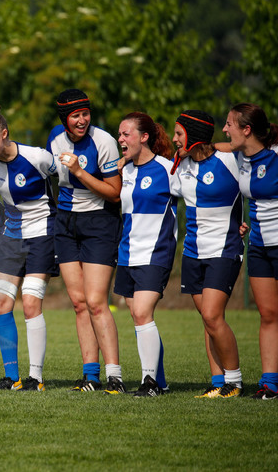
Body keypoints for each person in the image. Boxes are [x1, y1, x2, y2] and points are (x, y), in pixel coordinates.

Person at [47, 89, 125, 393]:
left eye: (85, 114)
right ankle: (90, 376)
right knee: (79, 303)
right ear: (64, 119)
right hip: (65, 223)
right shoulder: (55, 137)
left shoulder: (103, 141)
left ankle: (114, 376)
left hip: (99, 223)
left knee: (95, 301)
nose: (82, 120)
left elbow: (114, 192)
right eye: (75, 116)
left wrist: (79, 171)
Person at [0, 104, 58, 391]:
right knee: (0, 305)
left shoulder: (37, 157)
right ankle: (13, 378)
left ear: (4, 134)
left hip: (41, 234)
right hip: (11, 238)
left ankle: (36, 378)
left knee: (31, 304)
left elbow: (64, 178)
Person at [171, 110, 244, 398]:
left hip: (224, 250)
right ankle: (218, 382)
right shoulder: (181, 168)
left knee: (213, 316)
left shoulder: (230, 160)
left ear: (194, 136)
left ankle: (234, 381)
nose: (175, 139)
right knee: (208, 319)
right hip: (192, 252)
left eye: (179, 134)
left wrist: (245, 221)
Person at [115, 112, 177, 397]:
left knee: (142, 313)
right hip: (127, 254)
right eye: (119, 134)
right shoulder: (124, 171)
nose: (120, 139)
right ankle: (159, 381)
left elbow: (200, 195)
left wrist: (235, 222)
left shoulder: (168, 169)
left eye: (126, 134)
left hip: (156, 252)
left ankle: (149, 382)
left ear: (144, 137)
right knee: (139, 317)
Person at [221, 103, 278, 399]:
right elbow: (215, 144)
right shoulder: (241, 156)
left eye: (230, 124)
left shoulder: (276, 155)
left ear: (247, 130)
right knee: (268, 314)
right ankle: (270, 383)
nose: (225, 129)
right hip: (258, 247)